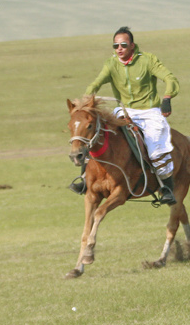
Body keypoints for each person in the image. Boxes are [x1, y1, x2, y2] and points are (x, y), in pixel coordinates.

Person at [69, 27, 180, 205]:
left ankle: (166, 187)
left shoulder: (148, 61)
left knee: (155, 148)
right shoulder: (111, 64)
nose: (119, 48)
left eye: (123, 45)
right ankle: (85, 179)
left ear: (132, 46)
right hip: (124, 111)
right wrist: (84, 103)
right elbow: (96, 83)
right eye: (115, 45)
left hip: (149, 112)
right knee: (96, 136)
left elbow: (169, 79)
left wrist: (167, 98)